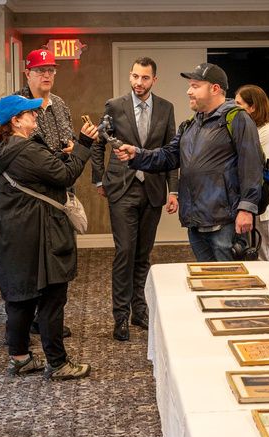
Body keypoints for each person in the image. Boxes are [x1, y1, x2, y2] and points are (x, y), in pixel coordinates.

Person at [0, 95, 97, 381]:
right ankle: (58, 363)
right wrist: (84, 145)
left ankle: (20, 357)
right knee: (52, 297)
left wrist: (60, 156)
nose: (36, 117)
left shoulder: (1, 149)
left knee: (21, 298)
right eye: (30, 114)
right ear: (15, 120)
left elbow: (38, 173)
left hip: (14, 236)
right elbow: (64, 176)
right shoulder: (23, 149)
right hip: (40, 235)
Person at [114, 62, 262, 262]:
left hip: (225, 223)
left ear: (215, 88)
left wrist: (247, 209)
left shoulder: (237, 119)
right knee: (208, 282)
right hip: (196, 222)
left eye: (195, 86)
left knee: (228, 283)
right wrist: (136, 155)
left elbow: (251, 166)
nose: (188, 91)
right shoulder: (190, 125)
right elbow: (168, 156)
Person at [90, 57, 178, 341]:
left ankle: (140, 310)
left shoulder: (166, 108)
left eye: (144, 78)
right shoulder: (114, 106)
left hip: (152, 189)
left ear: (155, 80)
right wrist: (98, 177)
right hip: (122, 187)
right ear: (130, 77)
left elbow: (171, 152)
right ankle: (120, 316)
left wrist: (173, 189)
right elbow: (99, 142)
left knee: (143, 254)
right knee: (125, 251)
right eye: (135, 77)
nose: (138, 83)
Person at [16, 47, 77, 338]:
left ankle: (48, 321)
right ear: (27, 73)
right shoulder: (16, 106)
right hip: (33, 200)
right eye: (41, 70)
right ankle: (29, 324)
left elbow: (69, 138)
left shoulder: (61, 104)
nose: (47, 75)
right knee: (35, 268)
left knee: (58, 266)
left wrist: (71, 149)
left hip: (61, 191)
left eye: (51, 70)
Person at [234, 84, 269, 261]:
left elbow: (251, 160)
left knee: (261, 254)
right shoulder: (240, 128)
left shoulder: (267, 131)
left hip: (260, 204)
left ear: (252, 107)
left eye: (239, 104)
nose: (234, 109)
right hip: (241, 202)